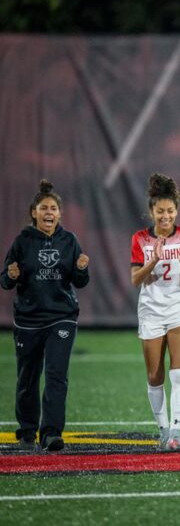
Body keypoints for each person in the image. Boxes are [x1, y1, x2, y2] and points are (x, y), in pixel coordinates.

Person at [1, 180, 89, 452]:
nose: (49, 212)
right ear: (33, 213)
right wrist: (11, 275)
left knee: (56, 374)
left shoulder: (69, 240)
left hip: (61, 317)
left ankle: (51, 433)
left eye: (53, 208)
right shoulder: (22, 241)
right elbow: (6, 280)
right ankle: (27, 429)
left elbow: (79, 281)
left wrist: (82, 269)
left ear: (60, 214)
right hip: (28, 320)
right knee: (27, 376)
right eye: (43, 208)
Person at [130, 173, 180, 451]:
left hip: (179, 308)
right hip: (151, 310)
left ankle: (176, 433)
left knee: (179, 374)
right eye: (160, 211)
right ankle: (162, 430)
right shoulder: (140, 239)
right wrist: (154, 260)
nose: (166, 216)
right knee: (155, 376)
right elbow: (136, 279)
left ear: (176, 212)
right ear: (151, 212)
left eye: (170, 211)